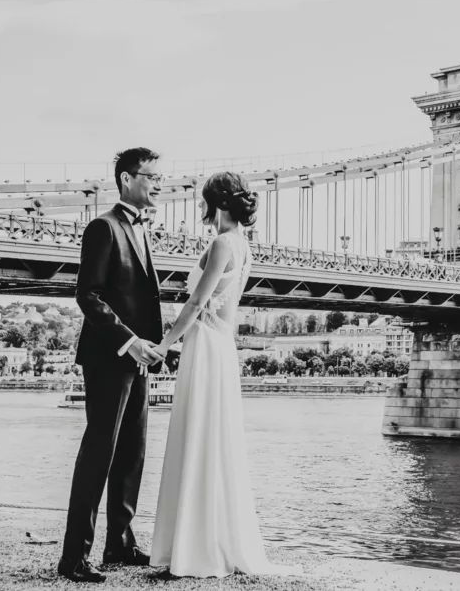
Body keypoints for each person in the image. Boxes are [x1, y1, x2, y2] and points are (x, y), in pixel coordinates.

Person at [149, 171, 300, 578]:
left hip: (205, 345)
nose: (200, 207)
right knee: (212, 439)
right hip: (220, 346)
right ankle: (204, 542)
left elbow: (198, 301)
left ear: (215, 202)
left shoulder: (220, 243)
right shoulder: (243, 245)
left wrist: (164, 346)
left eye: (203, 200)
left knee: (198, 436)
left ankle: (195, 548)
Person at [58, 147, 166, 583]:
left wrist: (153, 346)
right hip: (110, 357)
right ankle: (74, 556)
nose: (159, 184)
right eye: (151, 176)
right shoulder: (103, 227)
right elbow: (88, 294)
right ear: (126, 179)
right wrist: (129, 341)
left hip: (139, 359)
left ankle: (119, 542)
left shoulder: (142, 230)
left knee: (132, 452)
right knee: (98, 453)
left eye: (161, 178)